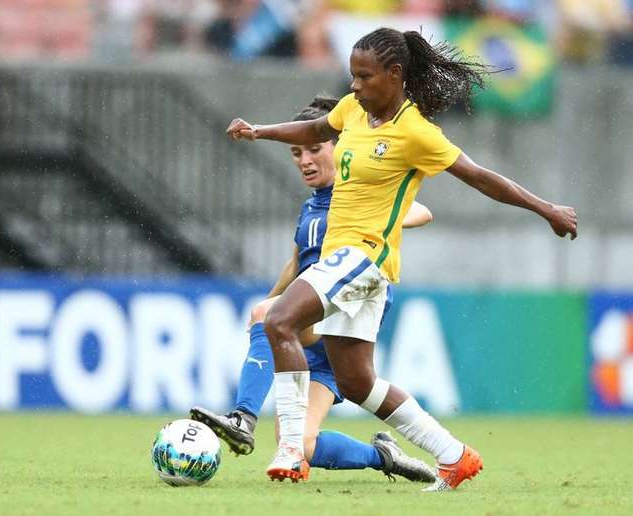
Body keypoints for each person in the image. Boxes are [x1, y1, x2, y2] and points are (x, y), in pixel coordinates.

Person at [225, 27, 578, 491]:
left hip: (364, 259)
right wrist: (259, 131)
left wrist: (545, 209)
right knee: (357, 384)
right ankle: (454, 456)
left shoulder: (415, 132)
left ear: (394, 75)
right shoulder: (354, 110)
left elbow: (480, 177)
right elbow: (314, 129)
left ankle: (291, 447)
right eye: (352, 76)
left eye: (364, 77)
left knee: (278, 320)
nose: (354, 86)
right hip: (349, 268)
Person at [192, 96, 436, 484]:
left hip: (336, 322)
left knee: (266, 314)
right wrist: (270, 306)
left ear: (341, 147)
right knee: (301, 445)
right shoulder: (310, 208)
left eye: (314, 149)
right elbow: (295, 266)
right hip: (308, 340)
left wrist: (385, 224)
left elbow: (421, 211)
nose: (304, 160)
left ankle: (242, 417)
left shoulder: (358, 197)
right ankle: (383, 456)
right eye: (295, 153)